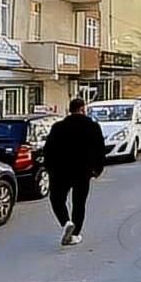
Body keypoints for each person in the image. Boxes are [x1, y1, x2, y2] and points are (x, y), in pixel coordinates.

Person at [44, 96, 106, 246]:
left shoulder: (58, 127)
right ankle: (75, 233)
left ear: (69, 110)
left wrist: (49, 168)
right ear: (83, 109)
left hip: (60, 170)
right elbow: (100, 149)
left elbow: (48, 150)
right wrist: (98, 169)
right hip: (83, 171)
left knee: (57, 199)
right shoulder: (93, 126)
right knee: (79, 203)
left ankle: (66, 222)